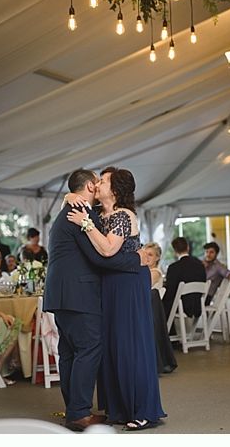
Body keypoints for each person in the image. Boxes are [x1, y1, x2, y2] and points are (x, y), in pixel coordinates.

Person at [43, 169, 146, 432]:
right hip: (79, 295)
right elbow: (101, 257)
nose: (100, 184)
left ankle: (74, 410)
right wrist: (138, 259)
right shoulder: (81, 212)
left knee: (69, 353)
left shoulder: (69, 208)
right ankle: (79, 413)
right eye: (97, 181)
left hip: (61, 294)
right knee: (88, 350)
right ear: (90, 186)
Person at [66, 167, 166, 430]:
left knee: (130, 345)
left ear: (117, 190)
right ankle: (119, 408)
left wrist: (85, 224)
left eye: (104, 180)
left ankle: (143, 409)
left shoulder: (124, 216)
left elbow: (109, 249)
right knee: (112, 345)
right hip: (108, 285)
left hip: (129, 285)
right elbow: (75, 202)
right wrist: (68, 198)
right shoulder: (99, 214)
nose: (97, 184)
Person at [142, 242, 177, 375]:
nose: (147, 257)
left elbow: (143, 285)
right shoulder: (144, 270)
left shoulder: (155, 273)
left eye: (150, 255)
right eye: (145, 254)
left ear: (157, 258)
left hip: (151, 315)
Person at [162, 237, 206, 322]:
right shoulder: (200, 265)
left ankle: (166, 333)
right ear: (188, 247)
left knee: (159, 303)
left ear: (175, 251)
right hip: (198, 305)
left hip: (181, 306)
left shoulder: (173, 268)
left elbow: (170, 291)